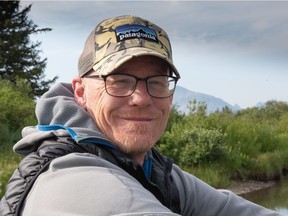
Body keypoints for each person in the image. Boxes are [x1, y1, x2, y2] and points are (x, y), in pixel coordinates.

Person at [0, 15, 283, 216]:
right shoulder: (70, 180)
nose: (142, 98)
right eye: (120, 80)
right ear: (81, 91)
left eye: (157, 81)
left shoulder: (150, 169)